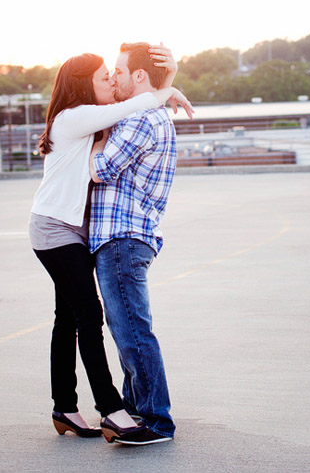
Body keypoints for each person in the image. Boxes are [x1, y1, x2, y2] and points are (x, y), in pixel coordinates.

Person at [29, 48, 192, 445]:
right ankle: (112, 409)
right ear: (85, 84)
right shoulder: (74, 118)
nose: (110, 81)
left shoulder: (95, 121)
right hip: (57, 229)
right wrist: (168, 87)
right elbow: (137, 99)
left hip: (76, 231)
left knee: (67, 318)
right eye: (104, 76)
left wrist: (164, 85)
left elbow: (133, 102)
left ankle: (65, 407)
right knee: (88, 315)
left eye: (113, 73)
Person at [89, 42, 181, 444]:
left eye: (121, 72)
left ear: (140, 76)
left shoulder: (142, 118)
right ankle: (133, 412)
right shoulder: (147, 114)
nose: (115, 78)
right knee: (127, 329)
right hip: (125, 237)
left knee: (132, 332)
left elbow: (102, 168)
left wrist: (90, 142)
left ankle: (155, 420)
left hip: (123, 238)